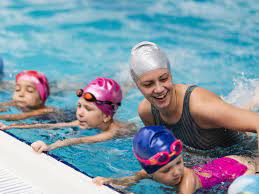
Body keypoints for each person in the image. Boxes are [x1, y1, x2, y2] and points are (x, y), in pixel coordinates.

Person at [129, 41, 259, 151]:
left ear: (171, 75)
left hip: (244, 152)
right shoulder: (147, 112)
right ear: (137, 85)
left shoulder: (200, 107)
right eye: (148, 84)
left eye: (164, 79)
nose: (158, 89)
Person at [93, 126, 256, 194]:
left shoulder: (187, 181)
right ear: (152, 170)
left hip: (242, 169)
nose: (176, 172)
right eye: (166, 170)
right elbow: (135, 176)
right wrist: (112, 181)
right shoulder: (150, 171)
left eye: (178, 162)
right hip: (224, 163)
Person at [0, 77, 135, 152]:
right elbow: (49, 125)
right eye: (79, 106)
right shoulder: (85, 120)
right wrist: (9, 127)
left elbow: (81, 140)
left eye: (88, 109)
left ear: (106, 116)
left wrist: (50, 146)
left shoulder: (111, 132)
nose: (80, 113)